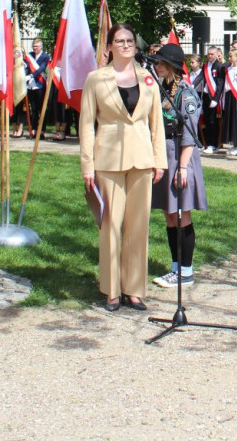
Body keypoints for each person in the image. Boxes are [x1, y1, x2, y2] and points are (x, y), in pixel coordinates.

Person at [80, 23, 166, 311]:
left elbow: (157, 124)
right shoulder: (96, 79)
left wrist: (159, 161)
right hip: (108, 160)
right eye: (120, 41)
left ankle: (134, 289)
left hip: (142, 160)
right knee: (110, 225)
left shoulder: (148, 78)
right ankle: (112, 290)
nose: (126, 45)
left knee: (138, 227)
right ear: (109, 47)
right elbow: (86, 126)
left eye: (130, 40)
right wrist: (87, 165)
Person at [150, 44, 208, 288]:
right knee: (169, 214)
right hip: (164, 155)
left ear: (173, 66)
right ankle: (175, 267)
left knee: (183, 215)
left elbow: (189, 134)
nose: (157, 66)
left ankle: (186, 271)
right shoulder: (160, 89)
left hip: (180, 157)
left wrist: (182, 168)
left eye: (161, 62)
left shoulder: (186, 94)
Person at [200, 46, 226, 152]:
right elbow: (201, 78)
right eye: (208, 54)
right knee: (207, 120)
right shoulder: (205, 66)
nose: (209, 56)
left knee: (213, 121)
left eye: (212, 54)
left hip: (214, 97)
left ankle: (214, 144)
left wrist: (215, 99)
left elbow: (220, 84)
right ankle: (208, 143)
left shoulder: (219, 66)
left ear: (216, 54)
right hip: (206, 96)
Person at [26, 39, 49, 136]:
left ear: (41, 47)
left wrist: (32, 75)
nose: (35, 48)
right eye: (33, 46)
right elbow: (26, 66)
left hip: (40, 85)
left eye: (37, 46)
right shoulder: (30, 55)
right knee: (34, 109)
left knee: (41, 108)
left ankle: (42, 130)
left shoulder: (45, 56)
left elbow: (41, 68)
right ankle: (34, 129)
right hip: (31, 86)